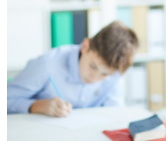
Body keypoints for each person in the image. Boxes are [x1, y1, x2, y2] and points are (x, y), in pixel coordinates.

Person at [8, 21, 138, 116]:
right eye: (93, 67)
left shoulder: (115, 73)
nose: (95, 77)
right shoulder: (47, 65)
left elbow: (114, 113)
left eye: (104, 74)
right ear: (85, 46)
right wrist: (35, 106)